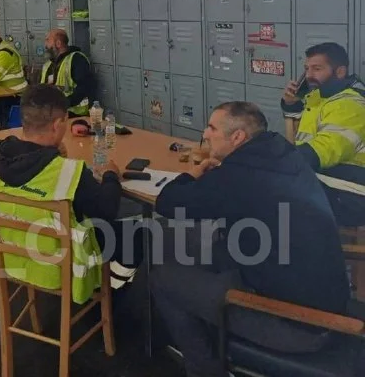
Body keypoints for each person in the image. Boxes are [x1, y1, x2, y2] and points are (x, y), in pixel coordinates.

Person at [152, 101, 350, 377]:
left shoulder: (238, 175)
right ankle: (203, 325)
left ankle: (206, 371)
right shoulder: (281, 153)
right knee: (206, 246)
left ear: (237, 137)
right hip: (328, 301)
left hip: (299, 325)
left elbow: (168, 202)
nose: (205, 134)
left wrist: (190, 175)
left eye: (212, 128)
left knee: (163, 277)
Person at [0, 84, 122, 303]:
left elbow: (28, 175)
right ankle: (119, 290)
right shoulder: (69, 172)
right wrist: (111, 175)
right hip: (60, 269)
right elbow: (108, 209)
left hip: (14, 260)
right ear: (57, 125)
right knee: (131, 232)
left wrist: (51, 154)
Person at [281, 42, 365, 226]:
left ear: (340, 72)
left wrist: (277, 158)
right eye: (307, 69)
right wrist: (291, 106)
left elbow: (324, 151)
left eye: (317, 69)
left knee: (274, 202)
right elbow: (297, 141)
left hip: (352, 194)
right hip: (327, 181)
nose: (309, 75)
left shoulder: (349, 104)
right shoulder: (319, 98)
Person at [41, 29, 94, 117]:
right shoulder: (49, 64)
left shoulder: (76, 59)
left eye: (48, 40)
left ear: (58, 43)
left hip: (73, 113)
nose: (45, 45)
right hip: (52, 112)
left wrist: (63, 104)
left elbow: (84, 87)